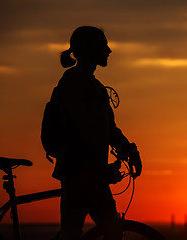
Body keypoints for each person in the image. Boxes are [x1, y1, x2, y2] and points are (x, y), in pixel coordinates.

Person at [50, 26, 141, 240]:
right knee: (88, 233)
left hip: (91, 175)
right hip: (78, 174)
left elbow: (109, 130)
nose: (108, 50)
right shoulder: (73, 82)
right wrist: (101, 169)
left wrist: (129, 150)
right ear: (88, 49)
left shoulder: (96, 86)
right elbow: (82, 131)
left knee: (94, 232)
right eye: (103, 45)